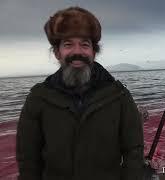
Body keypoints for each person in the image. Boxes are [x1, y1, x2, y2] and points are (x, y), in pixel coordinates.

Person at [16, 7, 144, 180]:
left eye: (84, 44)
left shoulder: (118, 95)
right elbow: (28, 159)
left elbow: (133, 151)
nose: (77, 52)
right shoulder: (38, 98)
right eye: (68, 44)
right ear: (57, 52)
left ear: (94, 51)